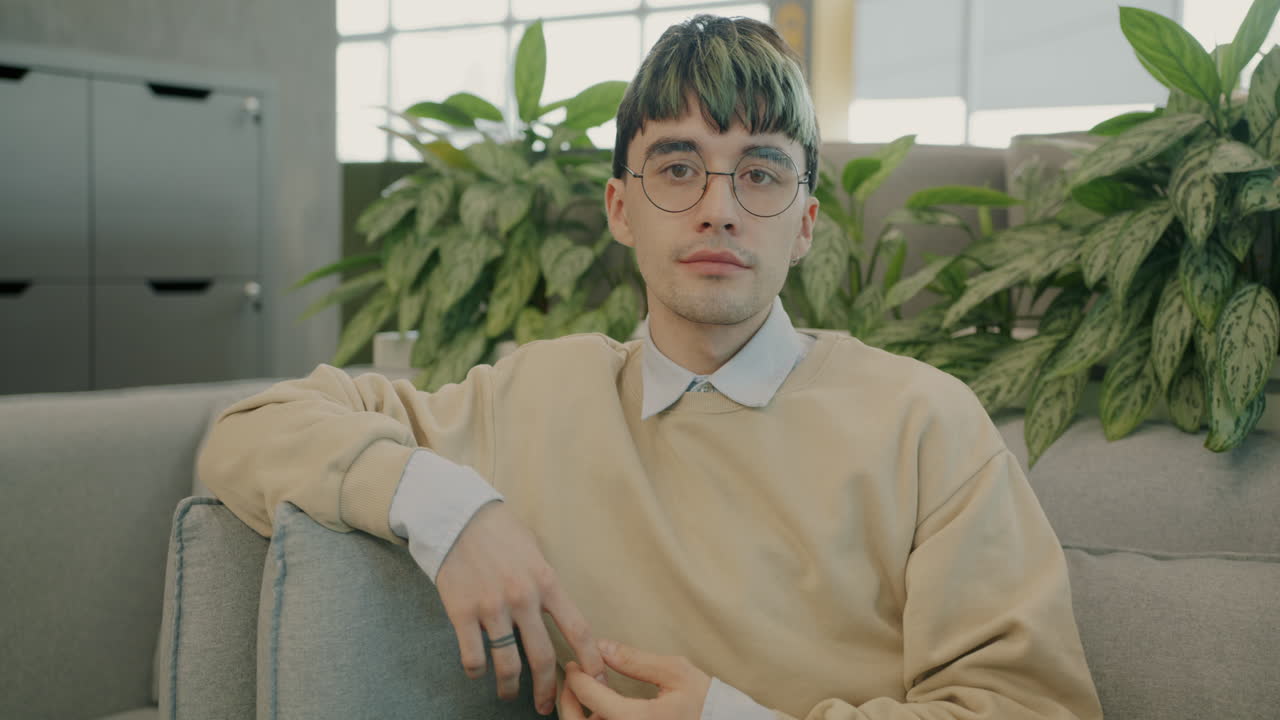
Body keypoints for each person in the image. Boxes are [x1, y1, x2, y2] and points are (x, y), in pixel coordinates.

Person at [199, 14, 1103, 720]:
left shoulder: (927, 425)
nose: (717, 208)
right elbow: (251, 430)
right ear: (622, 209)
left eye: (759, 173)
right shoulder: (535, 398)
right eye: (679, 167)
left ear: (806, 225)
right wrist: (450, 508)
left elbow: (1033, 708)